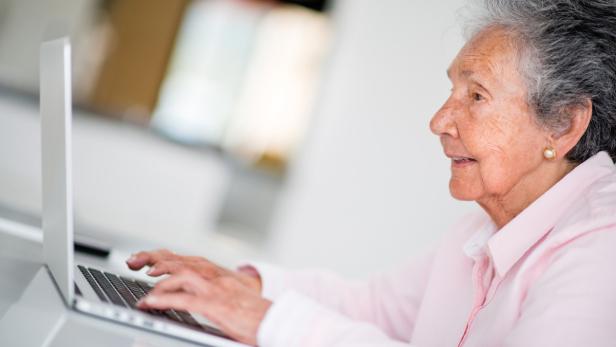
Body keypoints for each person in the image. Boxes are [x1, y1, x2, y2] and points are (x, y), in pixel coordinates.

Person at [126, 0, 616, 346]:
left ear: (565, 124)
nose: (439, 122)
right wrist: (239, 286)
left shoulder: (602, 249)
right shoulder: (486, 227)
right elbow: (374, 308)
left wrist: (272, 323)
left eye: (476, 96)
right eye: (452, 92)